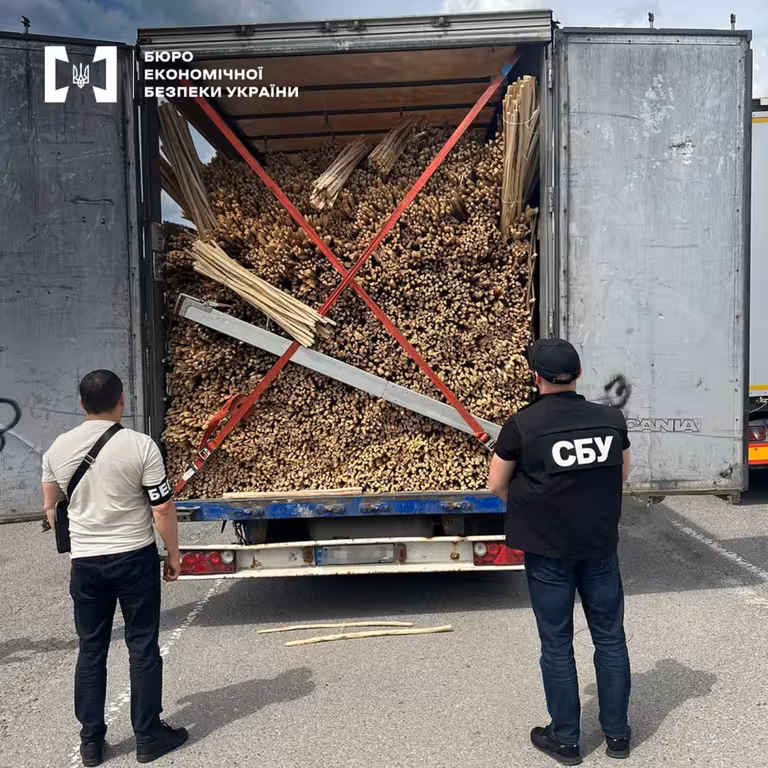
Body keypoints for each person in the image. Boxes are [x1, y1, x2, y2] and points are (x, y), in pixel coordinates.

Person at [489, 338, 632, 767]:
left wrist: (533, 501)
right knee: (610, 638)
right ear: (578, 375)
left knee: (556, 643)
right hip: (599, 547)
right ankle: (618, 736)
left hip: (549, 551)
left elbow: (497, 485)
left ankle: (566, 740)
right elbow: (622, 473)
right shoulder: (611, 419)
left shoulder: (522, 425)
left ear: (536, 377)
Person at [41, 370, 188, 766]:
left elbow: (51, 508)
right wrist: (173, 553)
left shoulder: (57, 448)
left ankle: (91, 742)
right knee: (142, 645)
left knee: (91, 649)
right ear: (122, 400)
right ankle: (148, 736)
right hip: (134, 557)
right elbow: (162, 507)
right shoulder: (141, 446)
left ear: (81, 404)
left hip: (86, 563)